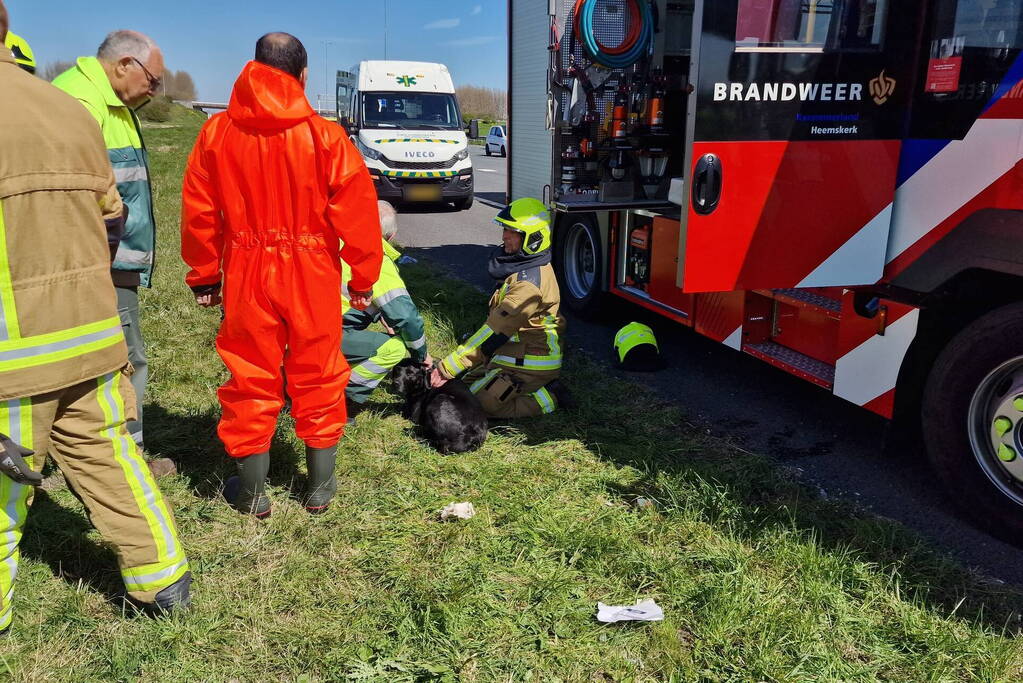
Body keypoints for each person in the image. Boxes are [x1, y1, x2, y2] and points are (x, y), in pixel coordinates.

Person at [0, 4, 190, 630]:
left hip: (13, 358)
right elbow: (112, 218)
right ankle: (164, 581)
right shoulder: (68, 109)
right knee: (111, 457)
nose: (155, 90)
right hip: (91, 331)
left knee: (4, 485)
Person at [181, 33, 382, 517]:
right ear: (303, 75)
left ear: (254, 68)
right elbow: (359, 214)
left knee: (251, 375)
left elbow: (199, 212)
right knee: (319, 371)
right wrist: (362, 280)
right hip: (312, 271)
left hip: (247, 269)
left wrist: (205, 275)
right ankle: (320, 487)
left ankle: (252, 493)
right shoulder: (327, 137)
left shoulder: (216, 132)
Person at [53, 31, 164, 454]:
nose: (154, 90)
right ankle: (127, 457)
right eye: (152, 80)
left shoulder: (110, 103)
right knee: (125, 359)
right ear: (124, 65)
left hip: (110, 259)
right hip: (97, 263)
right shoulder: (80, 104)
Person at [432, 198, 573, 417]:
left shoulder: (528, 285)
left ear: (533, 239)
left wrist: (448, 367)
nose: (504, 236)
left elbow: (495, 330)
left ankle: (552, 396)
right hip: (509, 354)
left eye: (512, 231)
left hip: (532, 362)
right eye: (505, 229)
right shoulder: (524, 268)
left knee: (475, 405)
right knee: (459, 391)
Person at [343, 201, 430, 419]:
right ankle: (342, 398)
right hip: (324, 336)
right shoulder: (376, 260)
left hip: (288, 330)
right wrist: (421, 355)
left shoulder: (334, 243)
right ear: (390, 237)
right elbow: (407, 319)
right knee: (395, 348)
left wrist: (380, 313)